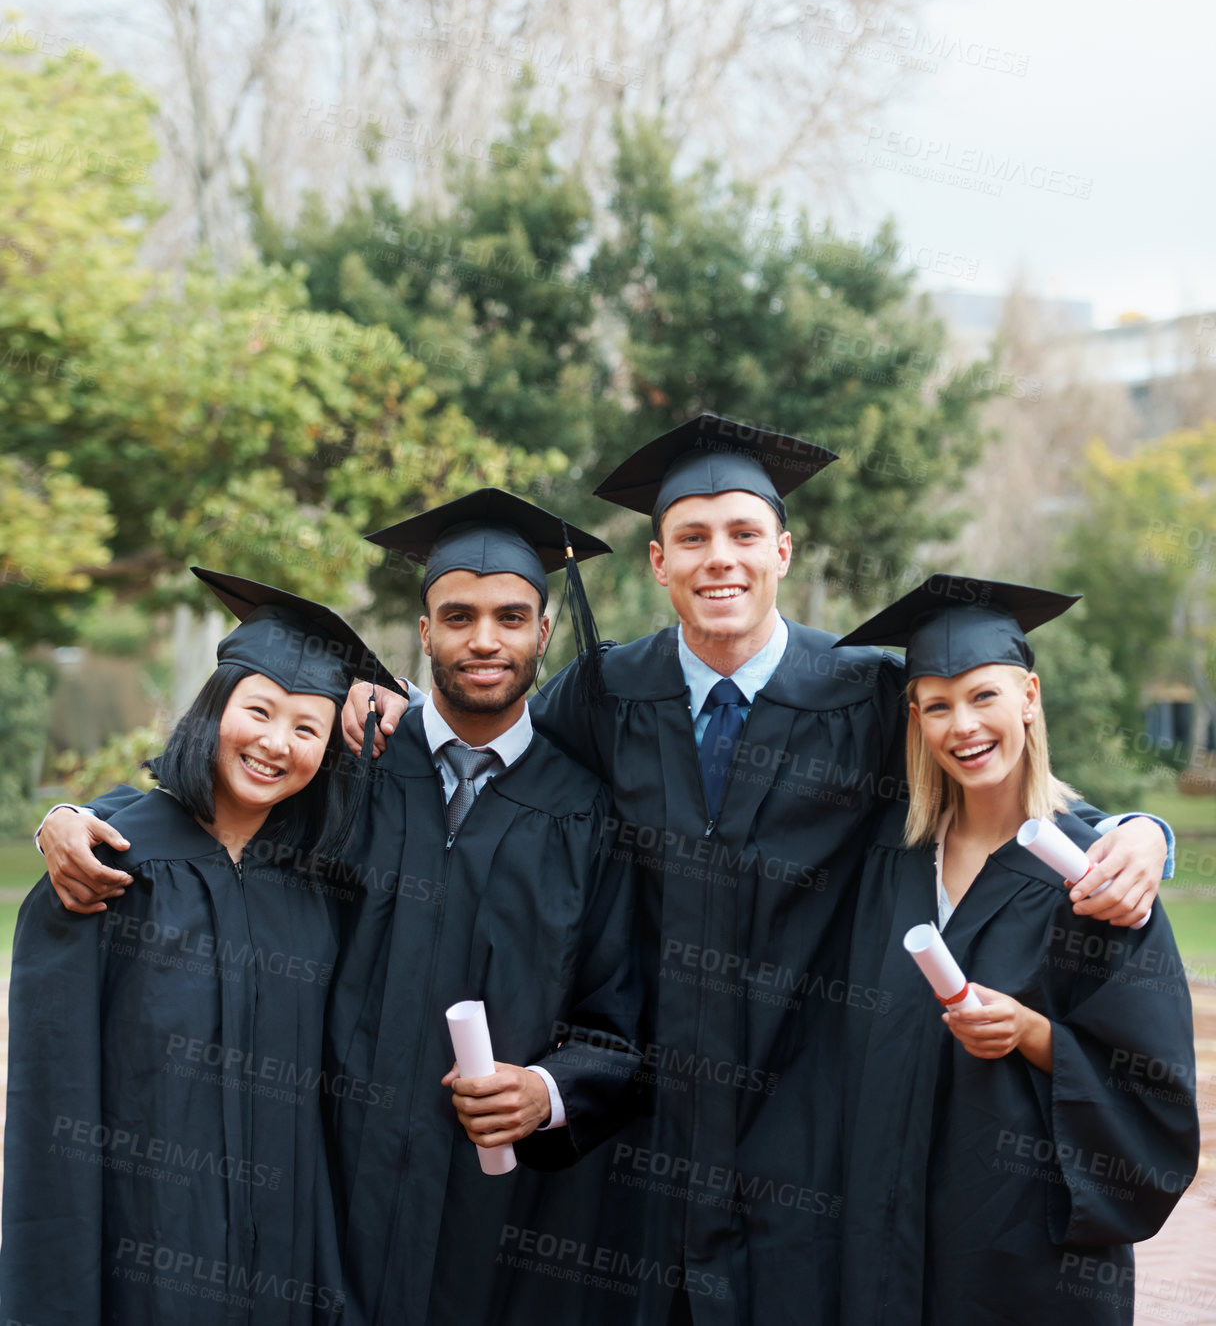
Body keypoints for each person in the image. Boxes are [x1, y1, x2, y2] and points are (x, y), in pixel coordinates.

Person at [345, 414, 1176, 1326]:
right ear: (659, 563)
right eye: (692, 539)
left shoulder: (861, 692)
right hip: (646, 1122)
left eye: (743, 534)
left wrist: (1138, 831)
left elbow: (987, 759)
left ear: (782, 549)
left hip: (806, 1116)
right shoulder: (608, 692)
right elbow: (494, 738)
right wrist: (384, 703)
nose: (720, 559)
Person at [36, 492, 644, 1326]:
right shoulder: (349, 771)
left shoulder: (586, 814)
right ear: (423, 633)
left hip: (491, 1211)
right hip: (321, 1191)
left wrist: (547, 1090)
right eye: (457, 615)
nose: (484, 639)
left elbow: (619, 1024)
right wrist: (71, 818)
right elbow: (209, 813)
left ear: (544, 632)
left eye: (511, 616)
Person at [1, 566, 401, 1326]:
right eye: (259, 710)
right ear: (214, 708)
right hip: (144, 1256)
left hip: (287, 1260)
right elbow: (51, 1108)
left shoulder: (323, 887)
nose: (275, 743)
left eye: (307, 728)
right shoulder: (109, 863)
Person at [832, 574, 1199, 1324]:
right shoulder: (891, 862)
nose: (962, 725)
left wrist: (1033, 1035)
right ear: (916, 720)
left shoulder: (1094, 875)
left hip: (1026, 1260)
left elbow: (1153, 1093)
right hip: (890, 1249)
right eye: (937, 705)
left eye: (984, 695)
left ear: (1029, 695)